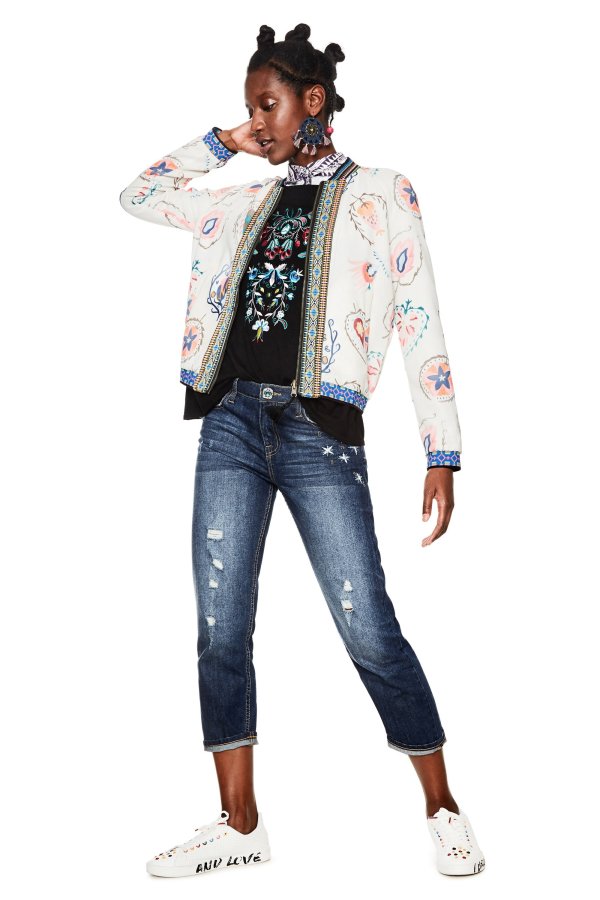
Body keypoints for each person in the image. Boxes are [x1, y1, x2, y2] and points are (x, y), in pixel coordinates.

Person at [119, 22, 485, 880]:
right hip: (231, 425)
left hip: (320, 435)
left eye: (268, 105)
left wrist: (441, 448)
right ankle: (239, 824)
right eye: (251, 109)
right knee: (220, 628)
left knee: (368, 628)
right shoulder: (239, 198)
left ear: (312, 100)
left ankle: (444, 808)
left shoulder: (383, 193)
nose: (259, 121)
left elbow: (420, 315)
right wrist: (224, 142)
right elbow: (138, 194)